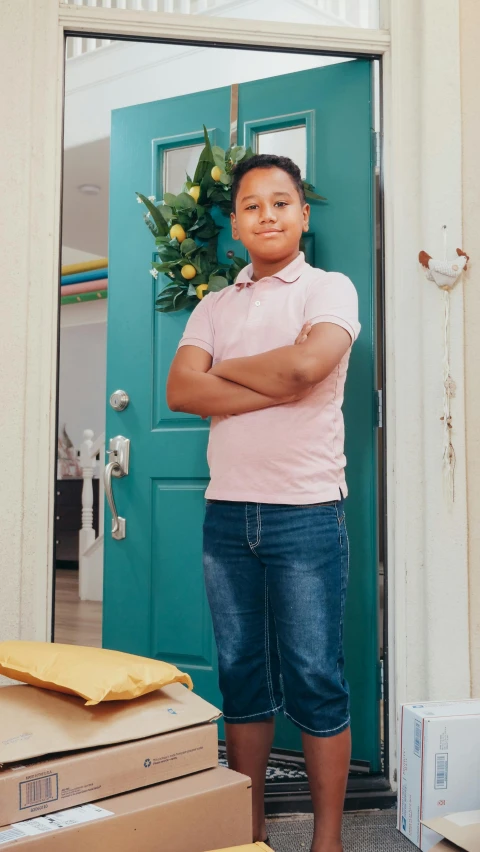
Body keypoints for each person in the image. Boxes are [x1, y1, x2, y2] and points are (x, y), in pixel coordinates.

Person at [167, 154, 360, 852]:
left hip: (306, 512)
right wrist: (274, 376)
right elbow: (182, 392)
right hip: (227, 517)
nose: (268, 214)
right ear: (236, 224)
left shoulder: (330, 289)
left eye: (283, 202)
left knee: (314, 673)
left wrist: (229, 373)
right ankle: (247, 835)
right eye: (253, 205)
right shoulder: (213, 304)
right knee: (242, 675)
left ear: (304, 215)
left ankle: (328, 839)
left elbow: (310, 367)